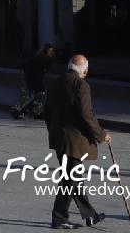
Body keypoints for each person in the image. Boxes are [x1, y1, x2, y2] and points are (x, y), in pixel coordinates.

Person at [43, 53, 108, 229]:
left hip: (59, 138)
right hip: (74, 141)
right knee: (70, 179)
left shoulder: (55, 82)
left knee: (74, 178)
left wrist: (54, 131)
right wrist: (101, 135)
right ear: (85, 71)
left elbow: (46, 111)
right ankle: (59, 218)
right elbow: (87, 115)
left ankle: (90, 216)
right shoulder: (81, 85)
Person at [14, 43, 56, 119]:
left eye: (52, 51)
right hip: (32, 79)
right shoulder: (38, 58)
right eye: (49, 51)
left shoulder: (48, 59)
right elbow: (31, 69)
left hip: (37, 79)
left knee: (39, 95)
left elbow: (46, 70)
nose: (51, 53)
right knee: (32, 96)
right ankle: (19, 110)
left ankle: (37, 112)